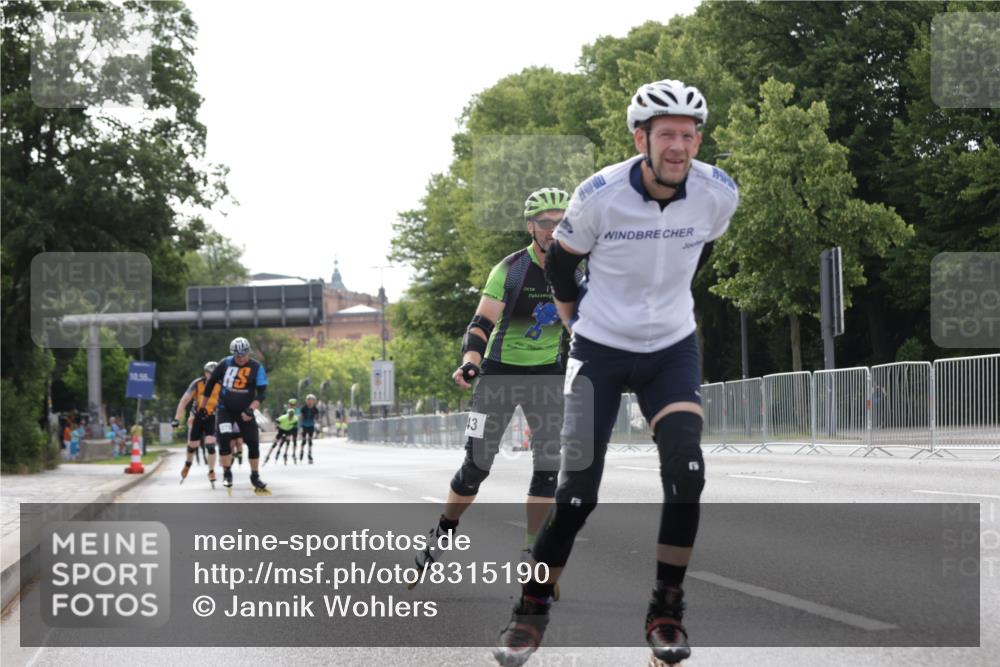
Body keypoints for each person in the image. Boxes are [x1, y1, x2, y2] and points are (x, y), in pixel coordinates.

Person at [493, 79, 739, 667]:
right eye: (666, 135)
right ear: (641, 138)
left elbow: (701, 250)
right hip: (600, 352)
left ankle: (666, 614)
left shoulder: (717, 193)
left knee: (687, 473)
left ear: (698, 138)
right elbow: (559, 264)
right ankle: (529, 611)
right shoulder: (599, 195)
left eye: (689, 134)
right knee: (577, 496)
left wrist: (666, 301)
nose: (679, 146)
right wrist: (579, 322)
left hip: (671, 350)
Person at [413, 187, 576, 584]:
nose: (554, 230)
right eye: (546, 223)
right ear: (531, 227)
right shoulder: (511, 269)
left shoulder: (578, 268)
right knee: (475, 468)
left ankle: (534, 550)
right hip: (499, 375)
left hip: (546, 376)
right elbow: (481, 324)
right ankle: (444, 529)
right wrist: (470, 363)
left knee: (549, 467)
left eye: (561, 222)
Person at [200, 337, 271, 496]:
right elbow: (209, 386)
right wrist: (202, 408)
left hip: (246, 411)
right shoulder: (224, 363)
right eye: (237, 356)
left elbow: (262, 393)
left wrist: (251, 409)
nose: (241, 359)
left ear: (248, 352)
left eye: (244, 355)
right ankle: (227, 472)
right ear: (233, 354)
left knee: (253, 443)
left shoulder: (256, 367)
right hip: (225, 409)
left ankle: (255, 476)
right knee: (225, 438)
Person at [173, 361, 222, 487]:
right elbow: (184, 401)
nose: (212, 376)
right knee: (192, 445)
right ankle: (188, 464)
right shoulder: (197, 384)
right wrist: (177, 419)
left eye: (215, 374)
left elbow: (228, 401)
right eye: (210, 373)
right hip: (197, 417)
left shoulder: (220, 385)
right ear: (205, 373)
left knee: (210, 445)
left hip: (211, 417)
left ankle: (211, 471)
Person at [299, 394, 320, 463]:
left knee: (310, 440)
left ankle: (309, 454)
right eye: (309, 400)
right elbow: (301, 417)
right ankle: (301, 452)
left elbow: (317, 418)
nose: (310, 402)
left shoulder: (315, 409)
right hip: (304, 425)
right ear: (307, 401)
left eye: (312, 400)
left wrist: (317, 424)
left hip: (311, 425)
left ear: (314, 401)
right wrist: (300, 426)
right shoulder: (304, 408)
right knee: (304, 440)